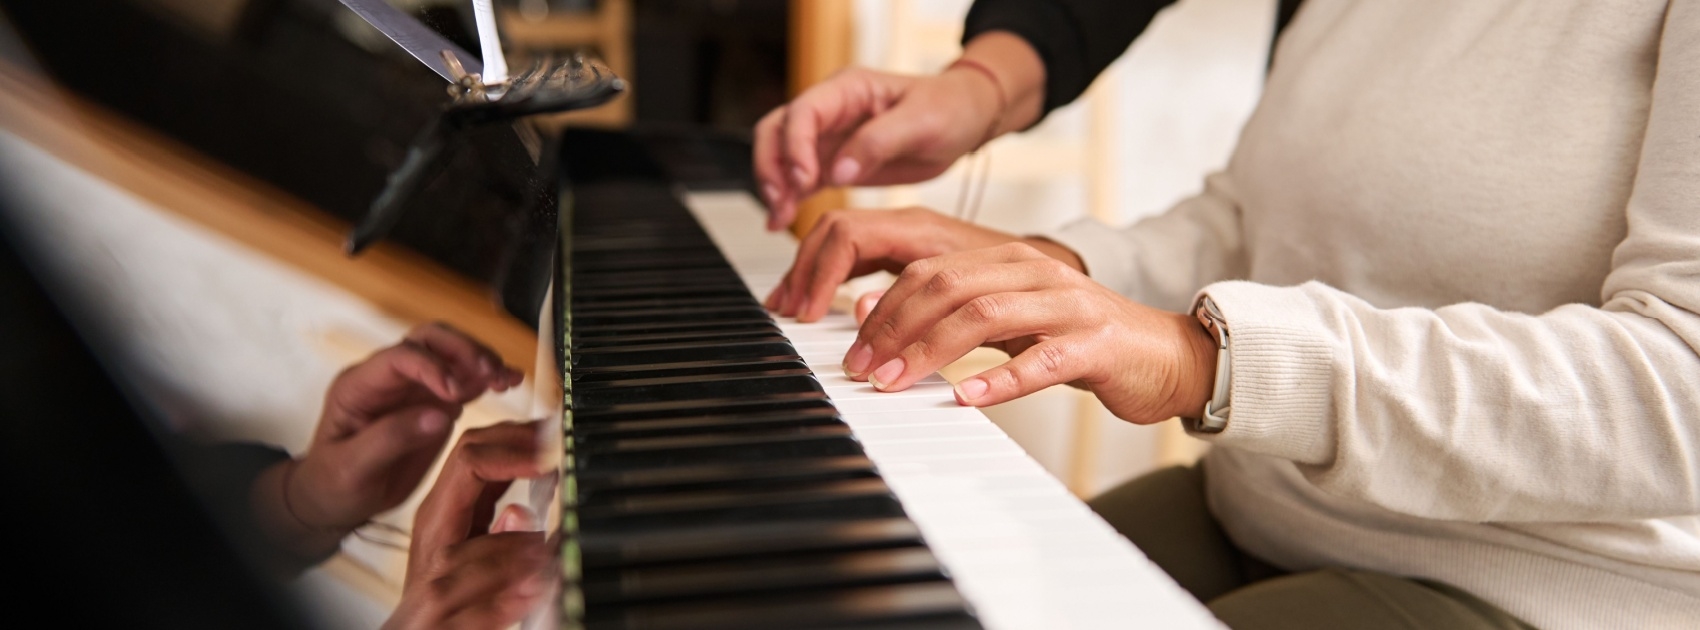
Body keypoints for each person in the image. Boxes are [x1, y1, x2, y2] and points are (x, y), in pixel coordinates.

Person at [755, 1, 1700, 628]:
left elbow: (1682, 387)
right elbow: (1256, 218)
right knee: (877, 590)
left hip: (1534, 580)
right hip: (1263, 504)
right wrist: (1055, 271)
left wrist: (1205, 360)